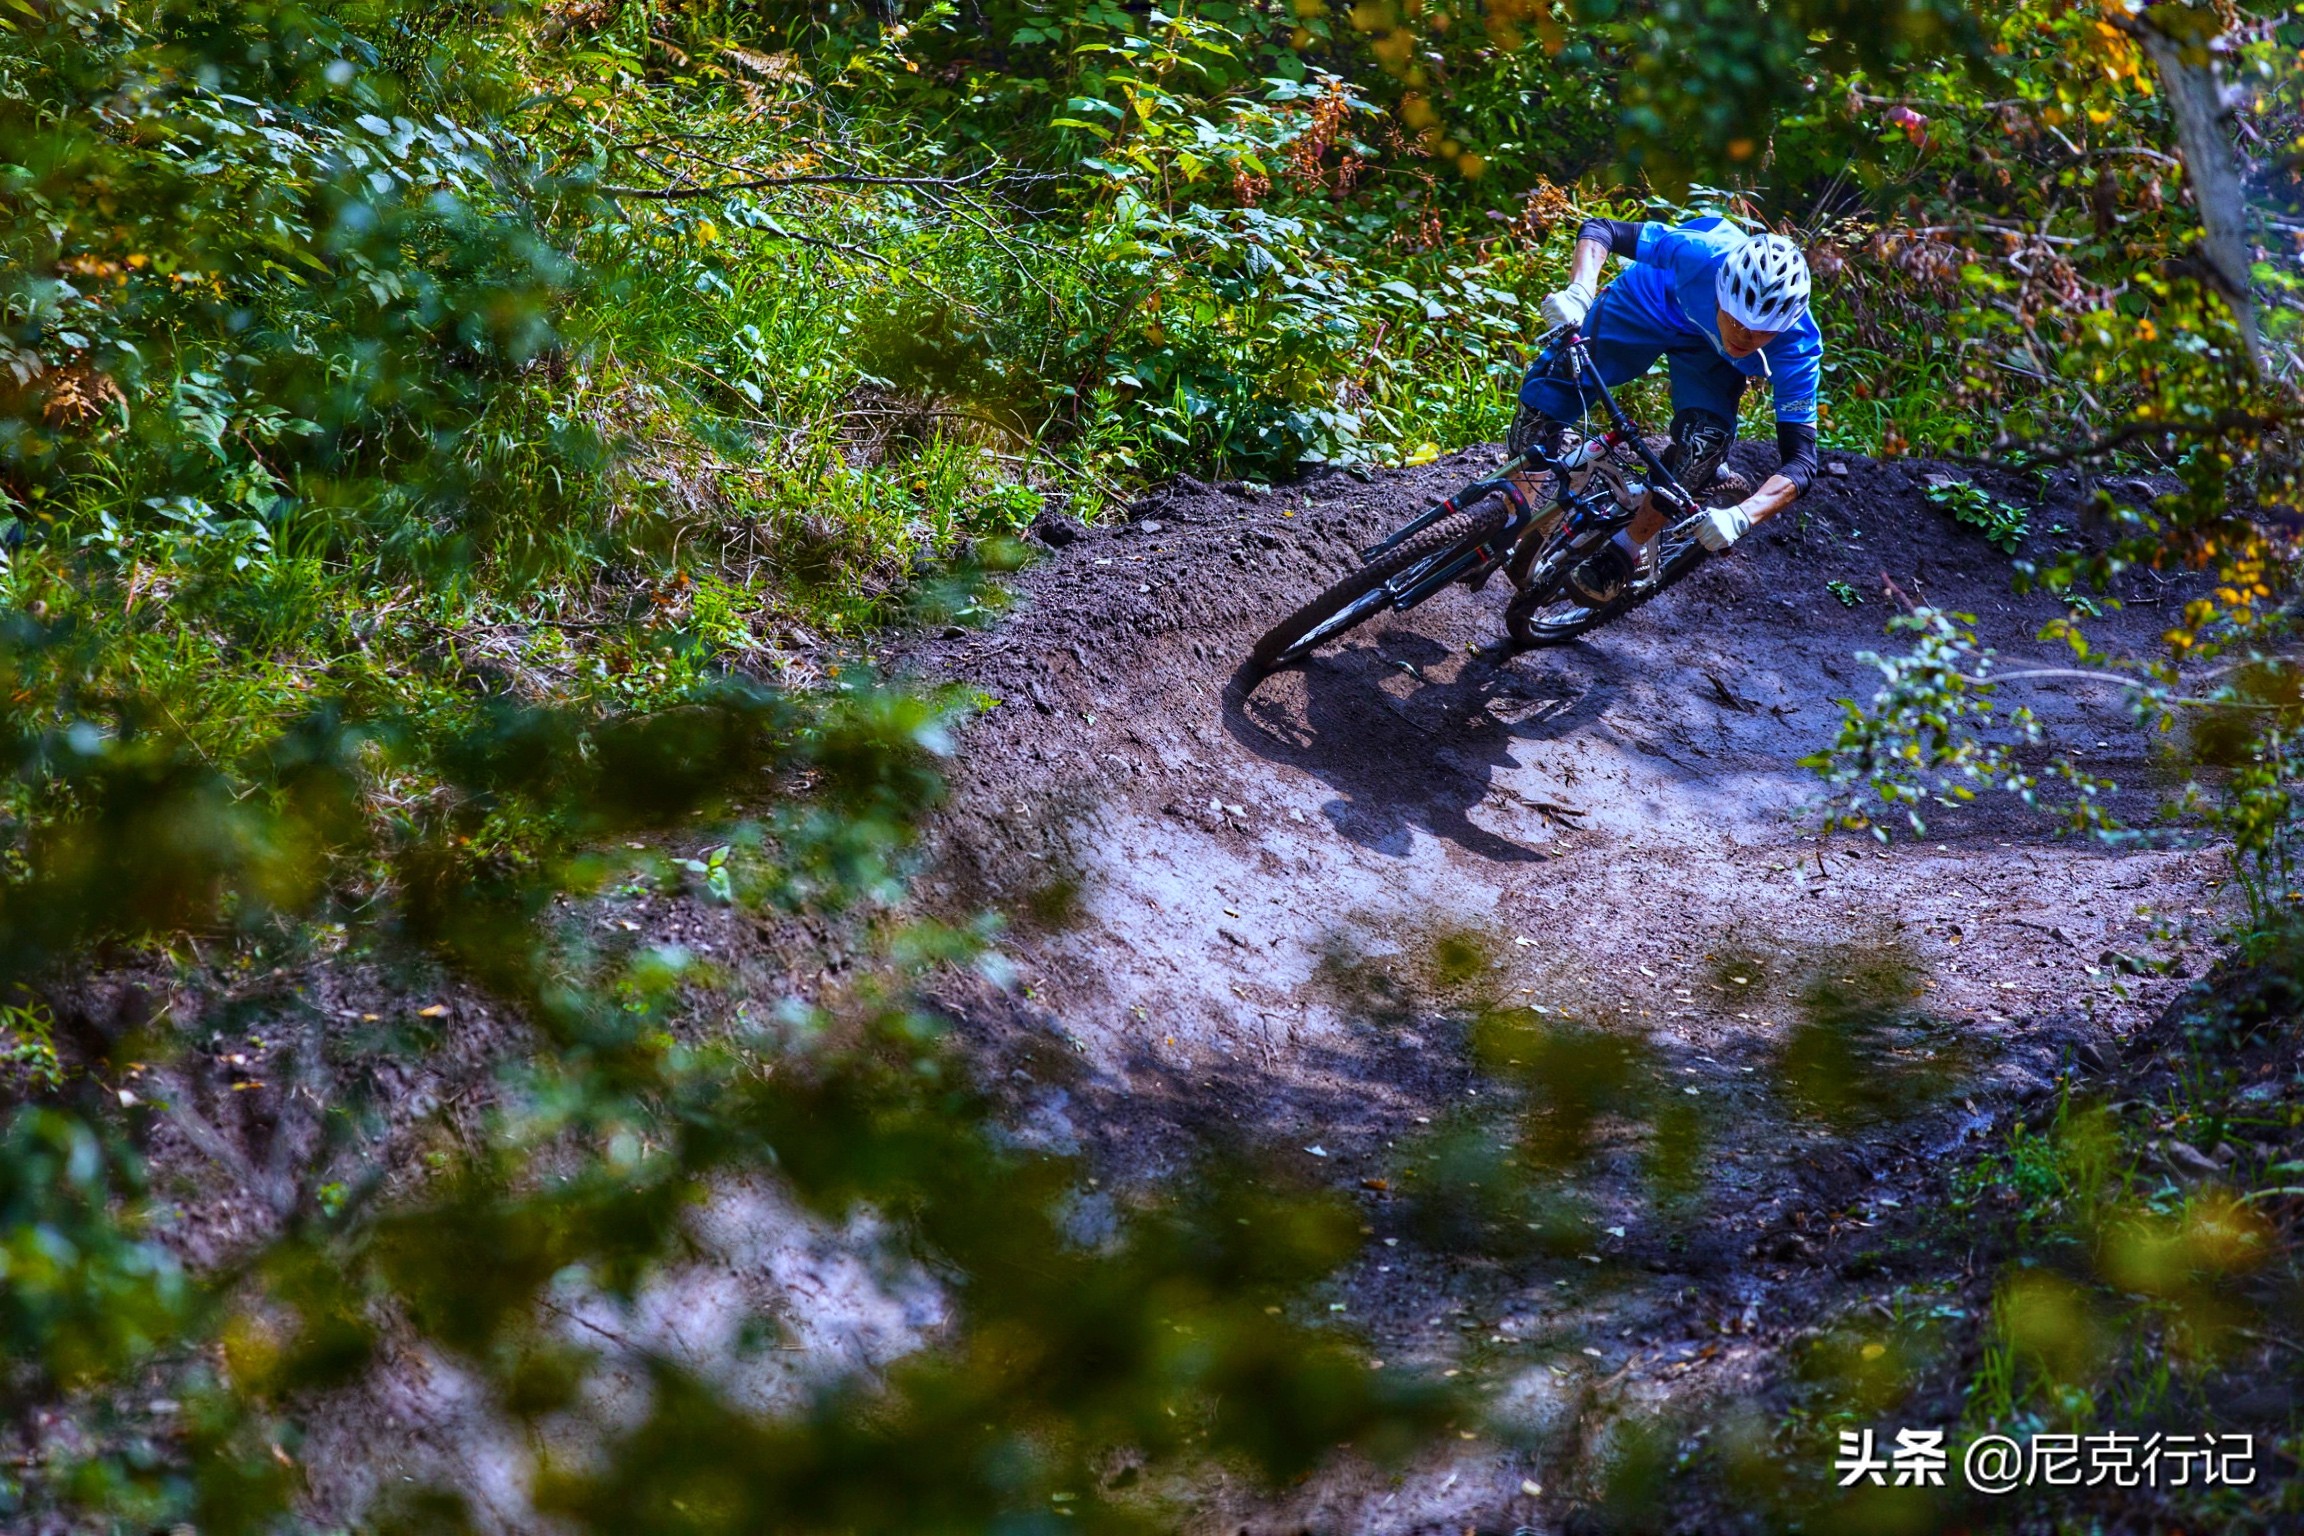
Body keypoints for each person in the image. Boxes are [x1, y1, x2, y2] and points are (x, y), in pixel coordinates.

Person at [1509, 213, 1821, 604]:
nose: (1743, 335)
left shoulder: (1798, 349)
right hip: (1650, 301)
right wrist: (1579, 292)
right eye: (1736, 319)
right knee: (1549, 396)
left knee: (1704, 445)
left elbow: (1802, 463)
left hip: (1712, 358)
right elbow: (1602, 228)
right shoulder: (1700, 254)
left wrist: (1743, 516)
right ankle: (1509, 512)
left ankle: (1626, 548)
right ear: (1720, 288)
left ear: (1787, 324)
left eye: (1762, 332)